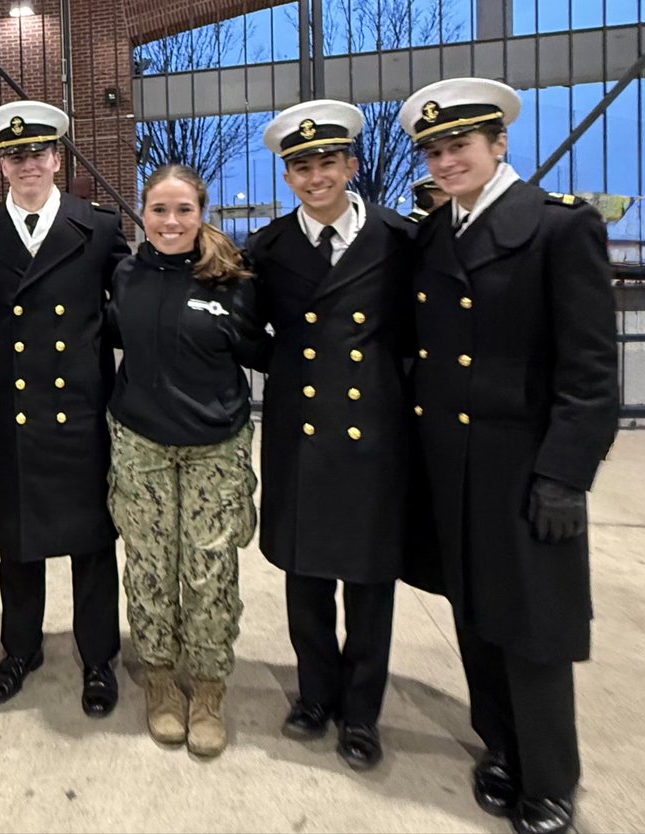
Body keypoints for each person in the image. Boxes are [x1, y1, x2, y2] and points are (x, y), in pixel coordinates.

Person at [399, 78, 618, 834]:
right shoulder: (435, 233)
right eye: (434, 150)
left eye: (459, 145)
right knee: (475, 616)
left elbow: (590, 372)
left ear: (499, 144)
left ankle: (551, 780)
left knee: (533, 627)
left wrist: (565, 474)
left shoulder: (559, 228)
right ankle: (500, 747)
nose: (447, 160)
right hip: (450, 463)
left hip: (524, 466)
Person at [249, 100, 417, 770]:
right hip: (301, 433)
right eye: (300, 167)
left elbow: (411, 337)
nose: (316, 177)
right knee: (306, 574)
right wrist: (291, 371)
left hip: (375, 433)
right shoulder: (270, 248)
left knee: (371, 582)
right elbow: (248, 334)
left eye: (327, 162)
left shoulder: (398, 240)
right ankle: (315, 695)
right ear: (287, 175)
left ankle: (362, 712)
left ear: (350, 164)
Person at [0, 100, 130, 716]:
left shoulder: (99, 227)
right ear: (2, 163)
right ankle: (20, 650)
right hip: (16, 419)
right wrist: (1, 358)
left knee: (91, 546)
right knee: (17, 546)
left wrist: (84, 353)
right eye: (14, 154)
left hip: (79, 416)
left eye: (37, 152)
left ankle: (99, 658)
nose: (26, 163)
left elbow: (125, 315)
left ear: (58, 157)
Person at [105, 164, 267, 757]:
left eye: (183, 211)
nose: (170, 223)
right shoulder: (125, 275)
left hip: (216, 447)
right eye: (159, 211)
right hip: (141, 444)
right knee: (149, 566)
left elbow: (265, 348)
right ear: (142, 215)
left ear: (202, 214)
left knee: (209, 571)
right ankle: (160, 683)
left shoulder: (234, 279)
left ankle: (208, 687)